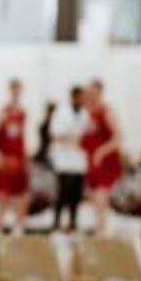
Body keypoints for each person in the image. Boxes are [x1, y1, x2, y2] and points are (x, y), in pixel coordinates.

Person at [80, 79, 122, 234]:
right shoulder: (87, 114)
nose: (89, 96)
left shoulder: (106, 112)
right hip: (91, 162)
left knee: (100, 194)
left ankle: (101, 230)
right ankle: (99, 227)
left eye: (92, 93)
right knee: (91, 195)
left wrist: (101, 151)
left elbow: (118, 138)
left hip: (105, 161)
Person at [0, 79, 30, 234]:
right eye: (14, 91)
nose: (16, 94)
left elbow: (25, 138)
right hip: (4, 160)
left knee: (22, 195)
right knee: (2, 197)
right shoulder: (3, 112)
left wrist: (26, 159)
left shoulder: (23, 113)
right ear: (10, 91)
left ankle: (19, 227)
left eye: (18, 91)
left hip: (19, 159)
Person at [50, 86, 88, 233]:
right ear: (72, 97)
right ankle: (57, 223)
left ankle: (73, 223)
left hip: (79, 161)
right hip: (64, 161)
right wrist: (71, 137)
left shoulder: (85, 114)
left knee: (75, 196)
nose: (81, 100)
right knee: (61, 194)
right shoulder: (61, 113)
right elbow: (55, 135)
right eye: (79, 97)